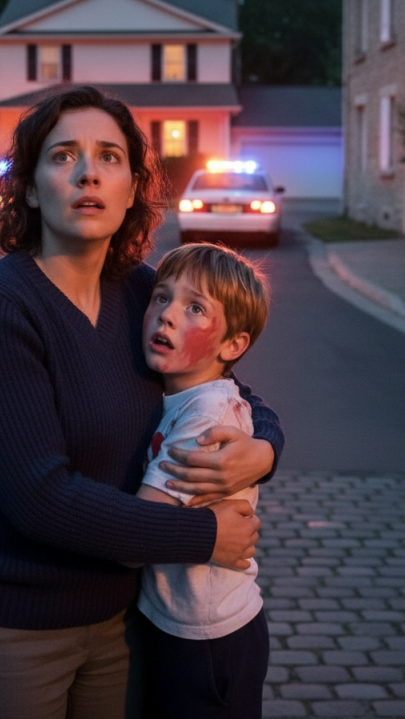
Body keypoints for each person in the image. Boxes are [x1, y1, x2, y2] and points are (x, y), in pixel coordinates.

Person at [0, 85, 284, 719]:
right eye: (64, 155)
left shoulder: (144, 293)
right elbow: (41, 498)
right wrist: (203, 533)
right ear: (32, 188)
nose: (88, 171)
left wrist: (262, 450)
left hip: (125, 624)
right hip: (13, 628)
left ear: (131, 189)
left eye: (110, 157)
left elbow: (231, 389)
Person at [134, 243, 272, 719]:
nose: (167, 315)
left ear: (233, 345)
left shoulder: (207, 415)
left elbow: (141, 525)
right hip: (172, 619)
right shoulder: (183, 393)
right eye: (161, 297)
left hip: (210, 639)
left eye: (195, 307)